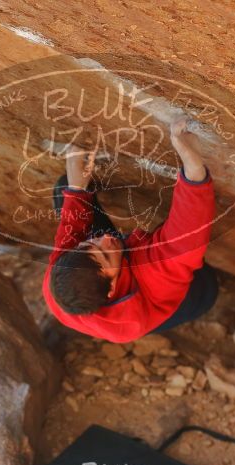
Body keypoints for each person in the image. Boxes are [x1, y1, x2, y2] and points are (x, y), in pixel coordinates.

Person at [42, 118, 218, 343]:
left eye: (88, 245)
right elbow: (188, 230)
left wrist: (76, 188)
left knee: (65, 186)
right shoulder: (148, 287)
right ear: (112, 287)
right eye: (104, 255)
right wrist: (192, 165)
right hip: (172, 297)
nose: (104, 239)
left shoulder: (59, 276)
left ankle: (98, 251)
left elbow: (72, 229)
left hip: (113, 267)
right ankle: (200, 290)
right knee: (206, 285)